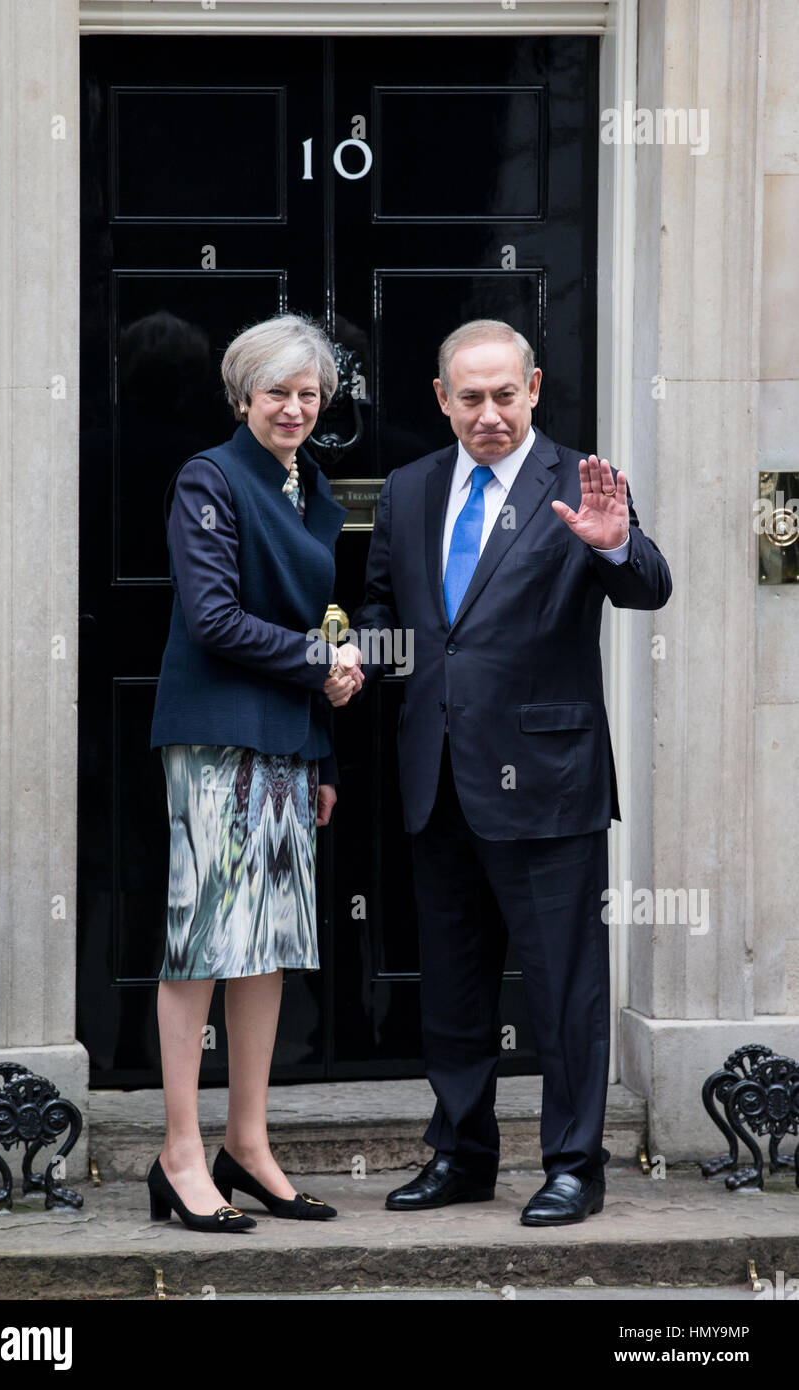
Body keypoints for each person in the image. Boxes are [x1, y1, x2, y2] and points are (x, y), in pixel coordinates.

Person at [347, 319, 672, 1225]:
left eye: (504, 395)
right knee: (452, 986)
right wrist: (352, 660)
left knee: (565, 988)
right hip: (439, 776)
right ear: (443, 400)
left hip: (550, 777)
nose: (488, 414)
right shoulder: (410, 489)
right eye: (470, 398)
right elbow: (390, 612)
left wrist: (612, 544)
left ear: (534, 389)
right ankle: (461, 1154)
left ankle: (574, 1164)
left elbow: (649, 583)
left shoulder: (580, 483)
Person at [146, 313, 361, 1232]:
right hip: (213, 736)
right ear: (243, 397)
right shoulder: (210, 476)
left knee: (268, 948)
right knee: (201, 944)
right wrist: (320, 664)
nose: (295, 407)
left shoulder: (314, 487)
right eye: (277, 391)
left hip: (283, 742)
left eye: (310, 393)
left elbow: (326, 622)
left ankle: (249, 1144)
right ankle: (179, 1154)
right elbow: (213, 618)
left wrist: (322, 749)